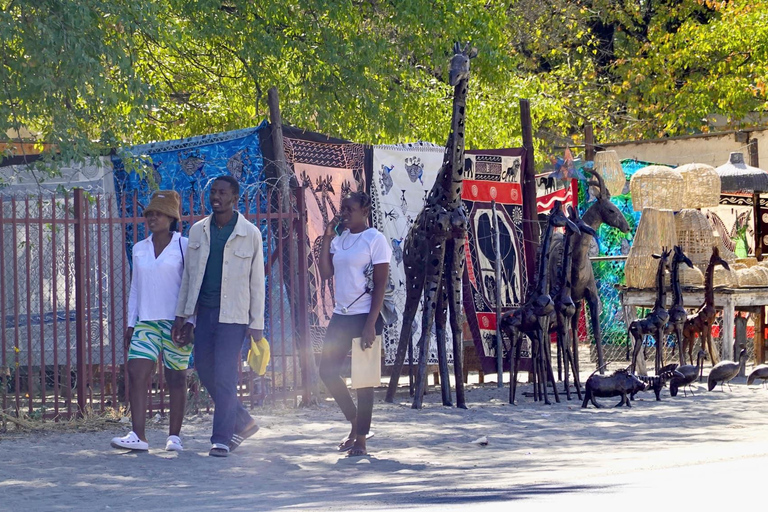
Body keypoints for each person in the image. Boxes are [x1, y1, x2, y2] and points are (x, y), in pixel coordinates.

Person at [172, 175, 264, 458]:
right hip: (206, 313)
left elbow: (257, 281)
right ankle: (244, 421)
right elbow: (189, 276)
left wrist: (256, 324)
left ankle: (221, 438)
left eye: (223, 193)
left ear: (235, 198)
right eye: (213, 192)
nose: (216, 197)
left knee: (224, 375)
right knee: (204, 368)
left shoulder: (250, 233)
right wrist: (182, 315)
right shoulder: (198, 231)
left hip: (234, 316)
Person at [111, 190, 193, 452]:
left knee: (176, 377)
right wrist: (130, 323)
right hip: (146, 321)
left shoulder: (185, 245)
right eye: (150, 213)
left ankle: (174, 437)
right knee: (136, 372)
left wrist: (190, 321)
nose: (152, 218)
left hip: (176, 322)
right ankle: (138, 435)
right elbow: (135, 287)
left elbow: (192, 285)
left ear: (171, 218)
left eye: (158, 213)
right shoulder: (139, 248)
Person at [318, 191, 391, 457]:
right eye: (343, 209)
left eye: (350, 209)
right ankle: (354, 422)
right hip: (341, 314)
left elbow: (381, 282)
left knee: (363, 379)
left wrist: (371, 323)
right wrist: (327, 237)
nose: (345, 213)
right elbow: (326, 273)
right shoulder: (341, 239)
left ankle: (361, 439)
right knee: (326, 370)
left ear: (365, 211)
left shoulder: (375, 239)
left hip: (365, 316)